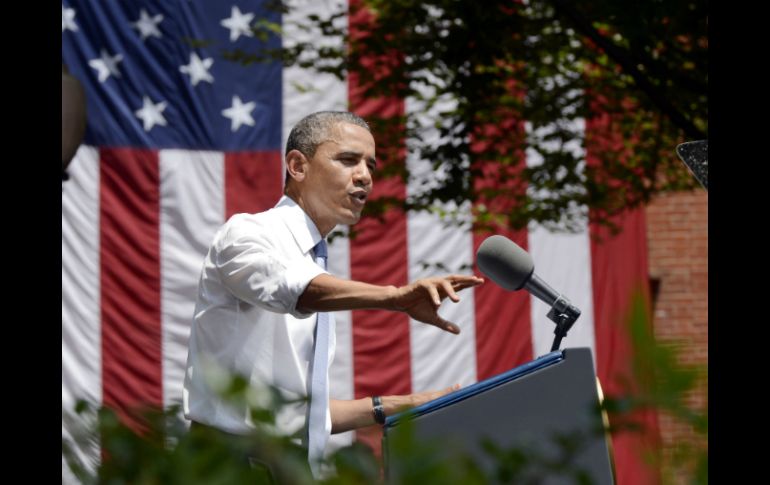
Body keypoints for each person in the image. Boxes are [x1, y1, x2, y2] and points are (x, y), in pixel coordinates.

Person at [183, 111, 484, 477]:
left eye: (370, 165)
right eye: (347, 160)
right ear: (297, 166)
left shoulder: (314, 260)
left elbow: (299, 414)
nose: (365, 176)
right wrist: (395, 297)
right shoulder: (248, 234)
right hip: (229, 466)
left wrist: (403, 404)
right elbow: (296, 290)